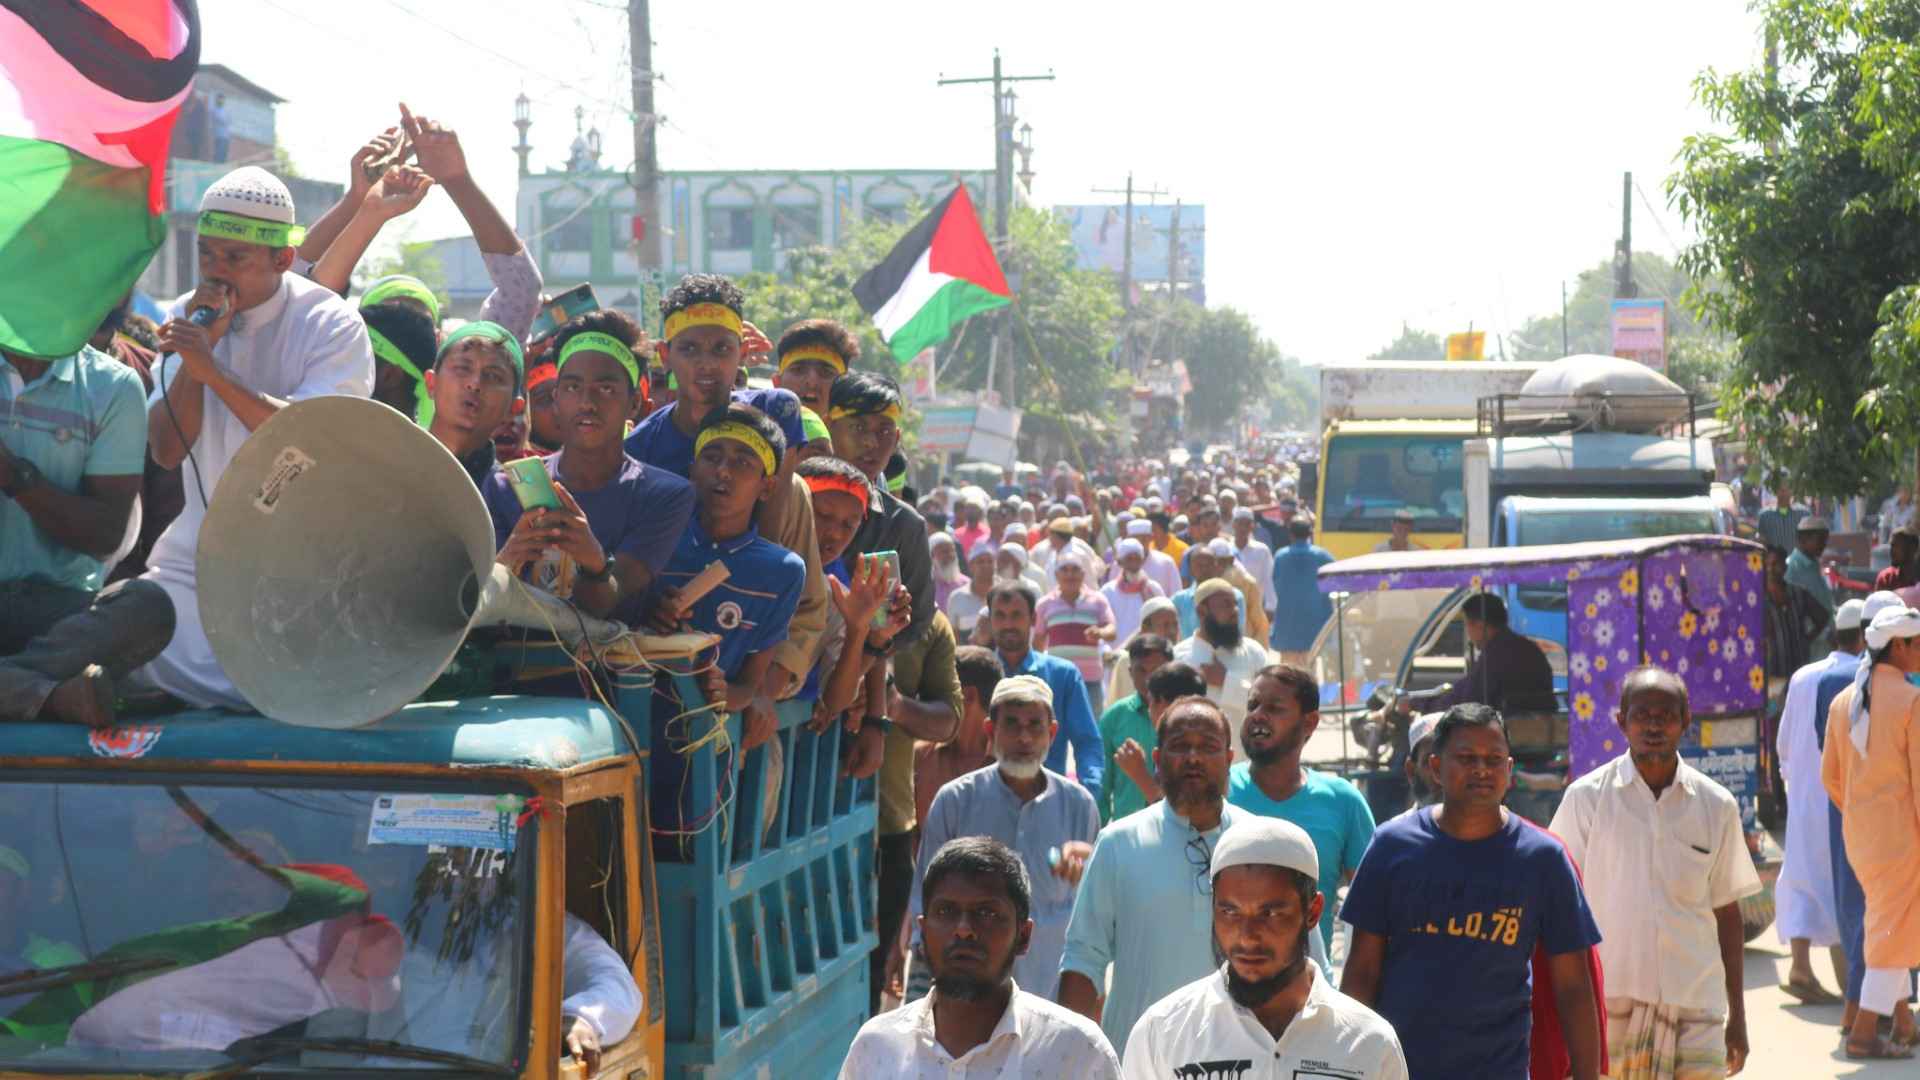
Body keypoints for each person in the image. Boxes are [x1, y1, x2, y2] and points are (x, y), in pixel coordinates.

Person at [138, 166, 374, 710]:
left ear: (283, 259)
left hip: (294, 579)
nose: (216, 274)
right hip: (191, 573)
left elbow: (308, 445)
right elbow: (166, 449)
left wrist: (213, 371)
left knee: (297, 684)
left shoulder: (331, 324)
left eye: (235, 258)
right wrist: (196, 363)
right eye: (207, 256)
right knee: (112, 626)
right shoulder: (184, 316)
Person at [1340, 703, 1604, 1080]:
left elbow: (1574, 987)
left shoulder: (1543, 858)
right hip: (1399, 1070)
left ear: (1509, 771)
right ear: (1435, 768)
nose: (1482, 769)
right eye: (1466, 757)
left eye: (1494, 759)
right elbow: (1361, 972)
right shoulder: (1392, 846)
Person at [1060, 697, 1328, 1054]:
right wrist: (1067, 1058)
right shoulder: (1118, 843)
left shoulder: (1264, 845)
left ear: (1230, 760)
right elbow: (1083, 958)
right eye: (1179, 746)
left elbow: (1312, 963)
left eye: (1208, 747)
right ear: (1156, 760)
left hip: (1249, 1060)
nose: (1193, 758)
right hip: (1142, 1059)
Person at [1549, 666, 1761, 1078]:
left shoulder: (1716, 806)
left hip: (1695, 1006)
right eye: (1641, 714)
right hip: (1610, 1003)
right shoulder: (1586, 800)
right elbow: (1558, 905)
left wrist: (1738, 1016)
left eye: (1664, 715)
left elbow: (1727, 915)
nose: (1653, 725)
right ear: (1621, 722)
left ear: (1685, 721)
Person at [625, 274, 825, 701]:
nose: (706, 365)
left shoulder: (776, 412)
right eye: (689, 349)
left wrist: (756, 691)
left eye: (722, 349)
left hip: (755, 606)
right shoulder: (642, 447)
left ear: (742, 351)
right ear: (665, 355)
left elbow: (767, 540)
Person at [1120, 818, 1408, 1080]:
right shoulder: (1163, 1033)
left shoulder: (1370, 1042)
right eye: (1230, 912)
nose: (1247, 937)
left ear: (1313, 912)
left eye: (1270, 914)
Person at [636, 405, 804, 831]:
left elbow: (750, 684)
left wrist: (722, 692)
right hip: (629, 729)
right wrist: (648, 613)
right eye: (712, 457)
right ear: (693, 468)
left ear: (767, 487)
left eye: (742, 463)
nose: (723, 472)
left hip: (703, 754)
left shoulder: (781, 571)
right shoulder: (653, 537)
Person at [1, 325, 176, 726]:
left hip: (57, 611)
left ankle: (17, 686)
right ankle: (51, 696)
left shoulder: (112, 385)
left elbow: (105, 535)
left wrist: (15, 477)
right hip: (61, 644)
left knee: (148, 606)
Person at [840, 836, 1121, 1078]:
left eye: (987, 913)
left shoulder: (1078, 1054)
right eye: (946, 912)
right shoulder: (876, 1047)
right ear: (922, 933)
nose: (964, 930)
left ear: (1023, 936)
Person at [908, 675, 1101, 1001]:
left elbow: (1093, 916)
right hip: (967, 993)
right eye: (1012, 724)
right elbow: (925, 898)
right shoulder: (956, 800)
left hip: (1048, 993)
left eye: (1034, 726)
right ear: (990, 731)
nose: (1024, 737)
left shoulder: (1079, 805)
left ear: (1052, 734)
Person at [484, 313, 690, 618]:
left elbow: (608, 603)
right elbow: (481, 604)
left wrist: (594, 562)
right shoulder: (505, 485)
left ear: (634, 402)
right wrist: (509, 558)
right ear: (555, 399)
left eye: (605, 389)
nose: (586, 403)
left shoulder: (665, 496)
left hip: (613, 666)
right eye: (572, 387)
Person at [1821, 604, 1920, 1059]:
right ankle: (1863, 1033)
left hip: (1859, 837)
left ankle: (1904, 1022)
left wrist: (1863, 816)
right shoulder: (1910, 701)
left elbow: (1832, 778)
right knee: (1891, 929)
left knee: (1891, 924)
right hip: (1902, 838)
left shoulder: (1846, 701)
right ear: (1898, 647)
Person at [1228, 665, 1375, 954]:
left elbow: (1374, 907)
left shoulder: (1343, 801)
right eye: (1253, 705)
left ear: (1309, 723)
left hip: (1310, 990)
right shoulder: (1219, 791)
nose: (1258, 715)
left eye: (1274, 708)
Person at [1772, 596, 1863, 1005]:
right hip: (1841, 793)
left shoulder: (1803, 676)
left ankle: (1801, 966)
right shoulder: (1860, 676)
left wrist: (1793, 781)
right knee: (1844, 881)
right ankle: (1854, 987)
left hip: (1805, 792)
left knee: (1803, 875)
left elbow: (1784, 742)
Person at [984, 581, 1104, 805]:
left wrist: (1089, 794)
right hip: (986, 803)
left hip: (1049, 802)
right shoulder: (978, 673)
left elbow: (1087, 741)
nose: (1008, 624)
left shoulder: (1063, 675)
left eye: (1016, 615)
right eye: (1000, 615)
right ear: (990, 621)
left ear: (1032, 619)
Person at [422, 321, 525, 489]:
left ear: (514, 408)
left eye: (493, 376)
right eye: (463, 368)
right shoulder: (385, 462)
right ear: (431, 383)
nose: (475, 384)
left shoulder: (510, 500)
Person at [912, 645, 1001, 833]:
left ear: (967, 696)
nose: (925, 702)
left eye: (937, 693)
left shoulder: (1009, 767)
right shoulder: (921, 757)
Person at [1174, 579, 1274, 744]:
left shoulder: (1253, 652)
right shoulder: (1179, 657)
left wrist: (1227, 681)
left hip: (1247, 762)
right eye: (1226, 605)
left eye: (1235, 604)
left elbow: (1272, 703)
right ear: (1202, 611)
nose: (1235, 611)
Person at [1434, 592, 1557, 714]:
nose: (1469, 634)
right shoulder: (1527, 647)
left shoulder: (1495, 656)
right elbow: (1467, 686)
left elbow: (1470, 699)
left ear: (1479, 625)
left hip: (1508, 729)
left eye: (1467, 625)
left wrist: (1431, 706)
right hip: (1541, 727)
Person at [1097, 635, 1175, 824]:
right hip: (1126, 829)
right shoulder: (1113, 718)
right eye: (1141, 670)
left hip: (1176, 827)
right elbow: (1103, 786)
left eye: (1157, 670)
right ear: (1130, 672)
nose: (1149, 678)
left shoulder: (1184, 715)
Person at [1034, 552, 1117, 716]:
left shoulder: (1098, 600)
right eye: (1065, 570)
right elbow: (1038, 641)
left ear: (1083, 574)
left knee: (1092, 728)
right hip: (1056, 680)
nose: (1070, 574)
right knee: (1055, 730)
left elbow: (1112, 630)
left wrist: (1100, 632)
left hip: (1090, 679)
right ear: (1057, 575)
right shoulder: (1045, 604)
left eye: (1075, 570)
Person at [1269, 517, 1334, 665]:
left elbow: (1276, 584)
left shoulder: (1281, 556)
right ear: (1310, 533)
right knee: (1313, 675)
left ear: (1290, 534)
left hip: (1288, 627)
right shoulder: (1323, 556)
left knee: (1288, 676)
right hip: (1316, 628)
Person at [771, 317, 856, 416]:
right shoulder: (753, 428)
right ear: (777, 382)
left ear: (844, 389)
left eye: (826, 373)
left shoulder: (868, 431)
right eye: (798, 370)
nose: (812, 383)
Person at [1106, 597, 1179, 704]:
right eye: (1165, 625)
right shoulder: (1127, 661)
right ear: (1146, 628)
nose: (1172, 631)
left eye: (1175, 624)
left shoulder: (1181, 656)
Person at [1099, 539, 1165, 648]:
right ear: (1120, 562)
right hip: (1117, 653)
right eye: (1129, 558)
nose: (1134, 561)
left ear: (1142, 560)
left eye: (1137, 558)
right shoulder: (1108, 591)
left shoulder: (1153, 589)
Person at [1230, 507, 1278, 621]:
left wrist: (1271, 606)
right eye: (1240, 523)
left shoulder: (1262, 550)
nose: (1243, 528)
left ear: (1252, 526)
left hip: (1255, 608)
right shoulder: (1227, 549)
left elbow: (1269, 579)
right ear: (1234, 525)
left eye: (1247, 524)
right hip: (1230, 608)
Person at [1786, 516, 1837, 615]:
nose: (1824, 544)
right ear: (1803, 539)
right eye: (1820, 539)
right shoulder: (1792, 567)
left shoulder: (1814, 564)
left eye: (1825, 540)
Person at [947, 540, 995, 638]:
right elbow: (953, 635)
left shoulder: (1003, 593)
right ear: (971, 566)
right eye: (980, 562)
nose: (986, 565)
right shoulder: (957, 597)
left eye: (990, 561)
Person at [1128, 517, 1184, 598]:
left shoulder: (1166, 562)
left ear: (1151, 538)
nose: (1139, 543)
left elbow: (1177, 595)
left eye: (1143, 539)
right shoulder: (1121, 564)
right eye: (1136, 539)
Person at [1877, 528, 1918, 592]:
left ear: (1911, 549)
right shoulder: (1886, 578)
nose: (1891, 551)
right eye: (1891, 545)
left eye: (1896, 546)